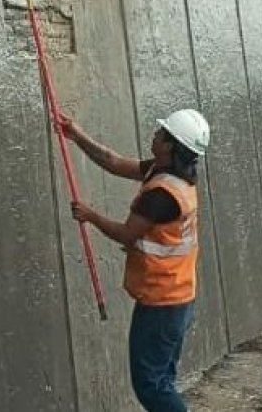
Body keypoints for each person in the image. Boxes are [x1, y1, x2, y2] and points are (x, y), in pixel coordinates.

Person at [62, 109, 211, 412]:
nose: (155, 135)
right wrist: (76, 135)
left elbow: (127, 234)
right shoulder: (169, 175)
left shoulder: (162, 195)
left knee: (150, 385)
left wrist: (91, 216)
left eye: (161, 133)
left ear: (171, 145)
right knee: (162, 380)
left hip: (162, 302)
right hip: (177, 296)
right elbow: (113, 162)